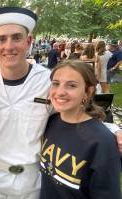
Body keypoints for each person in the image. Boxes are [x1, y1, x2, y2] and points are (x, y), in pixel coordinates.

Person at [0, 7, 122, 199]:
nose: (9, 46)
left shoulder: (48, 81)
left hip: (33, 183)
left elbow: (75, 113)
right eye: (2, 39)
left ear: (29, 41)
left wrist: (111, 130)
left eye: (17, 37)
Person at [40, 60, 121, 198]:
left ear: (88, 92)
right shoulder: (50, 122)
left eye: (71, 85)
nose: (60, 92)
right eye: (56, 84)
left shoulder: (102, 142)